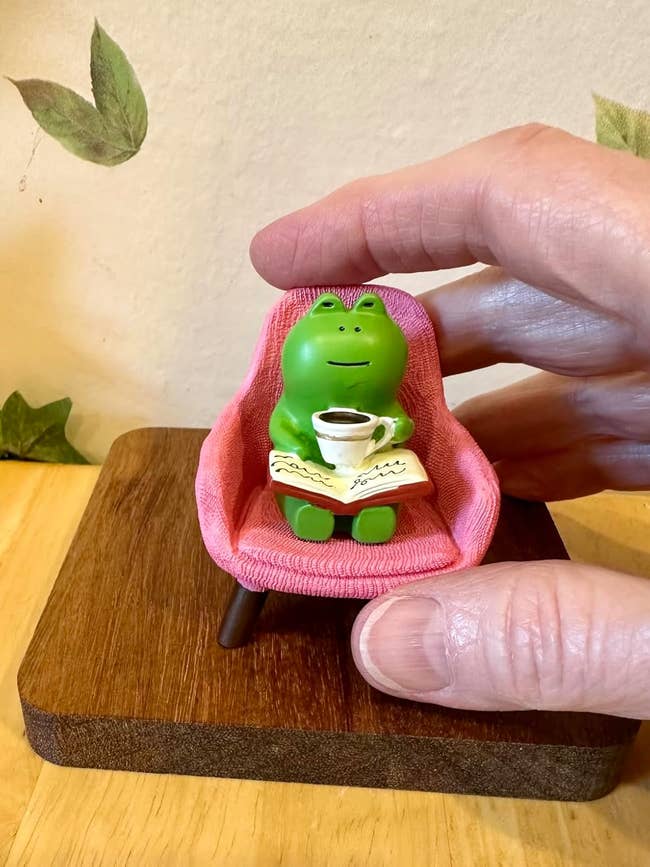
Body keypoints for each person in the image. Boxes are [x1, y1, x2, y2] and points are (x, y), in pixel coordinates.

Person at [250, 124, 650, 719]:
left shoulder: (388, 404)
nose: (351, 337)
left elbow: (403, 426)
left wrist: (393, 432)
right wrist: (296, 440)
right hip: (309, 466)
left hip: (369, 466)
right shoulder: (289, 401)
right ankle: (307, 515)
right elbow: (282, 427)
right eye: (338, 328)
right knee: (296, 484)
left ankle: (375, 518)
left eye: (361, 328)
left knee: (389, 487)